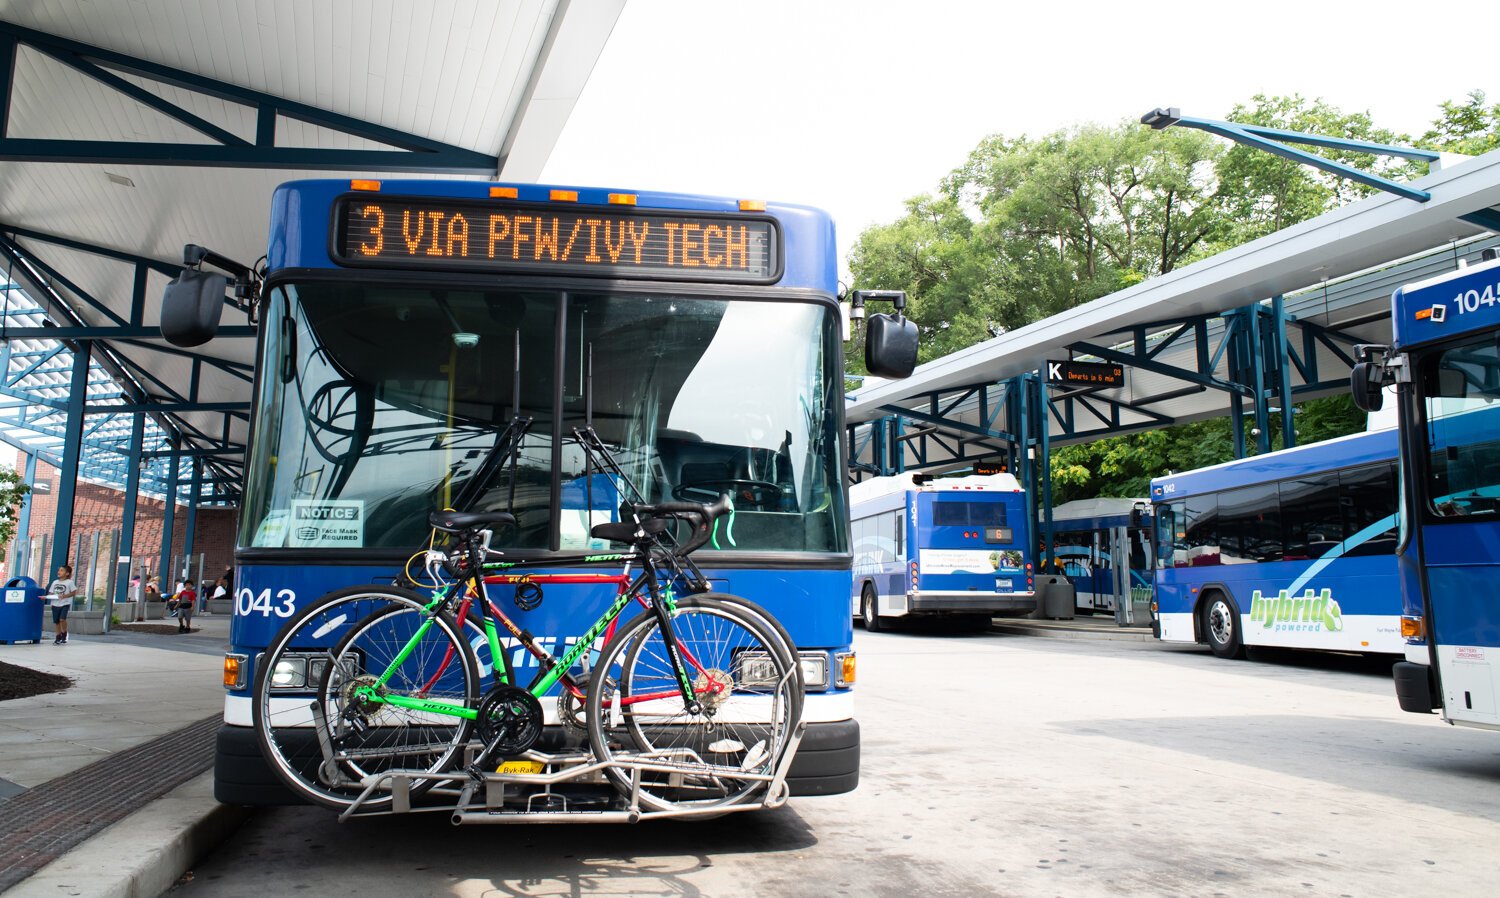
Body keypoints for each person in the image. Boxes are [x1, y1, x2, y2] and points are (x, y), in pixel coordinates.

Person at [47, 564, 78, 645]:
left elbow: (74, 592)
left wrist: (64, 596)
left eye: (62, 570)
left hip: (65, 604)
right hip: (55, 604)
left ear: (67, 573)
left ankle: (64, 633)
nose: (59, 572)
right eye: (59, 570)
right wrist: (49, 596)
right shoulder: (55, 582)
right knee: (57, 621)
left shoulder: (69, 582)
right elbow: (51, 592)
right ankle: (58, 637)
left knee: (62, 619)